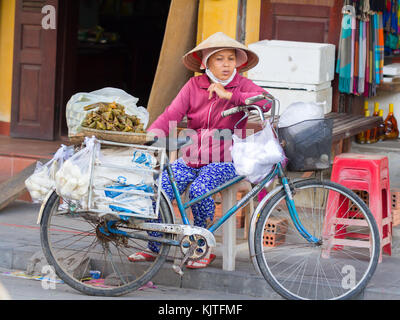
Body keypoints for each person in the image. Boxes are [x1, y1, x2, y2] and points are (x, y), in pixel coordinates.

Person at [129, 32, 272, 268]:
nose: (226, 64)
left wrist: (231, 95)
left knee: (200, 190)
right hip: (191, 158)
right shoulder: (194, 85)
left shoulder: (243, 85)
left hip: (226, 161)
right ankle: (155, 246)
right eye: (219, 59)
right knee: (158, 189)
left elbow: (266, 102)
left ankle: (202, 246)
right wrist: (152, 134)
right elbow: (171, 115)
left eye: (231, 58)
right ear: (206, 62)